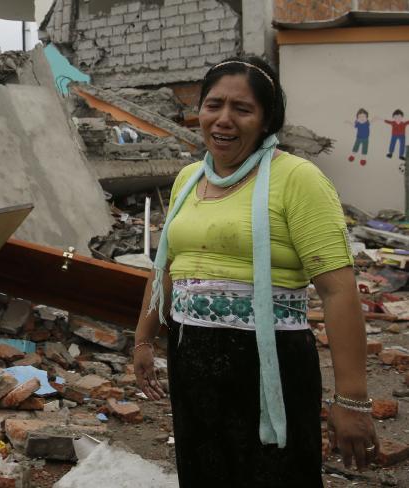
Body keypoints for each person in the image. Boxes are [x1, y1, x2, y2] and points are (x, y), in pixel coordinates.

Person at [133, 56, 378, 487]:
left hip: (271, 370)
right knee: (205, 472)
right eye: (214, 105)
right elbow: (167, 267)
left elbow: (338, 291)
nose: (223, 120)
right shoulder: (189, 178)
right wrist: (143, 340)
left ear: (266, 120)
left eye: (242, 109)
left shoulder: (298, 179)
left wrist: (352, 400)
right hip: (193, 363)